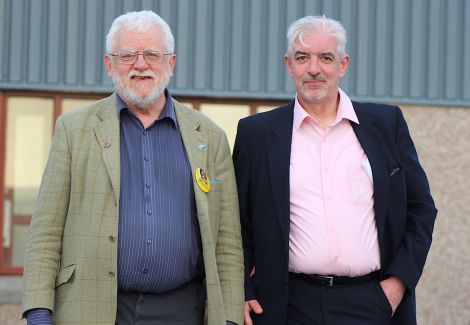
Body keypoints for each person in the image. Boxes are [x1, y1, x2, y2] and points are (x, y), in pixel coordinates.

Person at [22, 10, 244, 325]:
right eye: (127, 55)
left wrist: (230, 317)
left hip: (183, 311)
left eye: (152, 54)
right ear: (109, 64)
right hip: (93, 308)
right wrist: (39, 312)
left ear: (171, 62)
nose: (140, 65)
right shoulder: (74, 130)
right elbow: (46, 230)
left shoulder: (209, 137)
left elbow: (227, 241)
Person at [233, 15, 437, 325]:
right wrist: (243, 289)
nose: (313, 68)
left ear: (342, 65)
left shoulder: (386, 124)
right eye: (303, 58)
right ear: (289, 65)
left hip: (371, 302)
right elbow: (238, 222)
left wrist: (396, 285)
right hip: (287, 306)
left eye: (325, 58)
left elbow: (421, 209)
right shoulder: (257, 134)